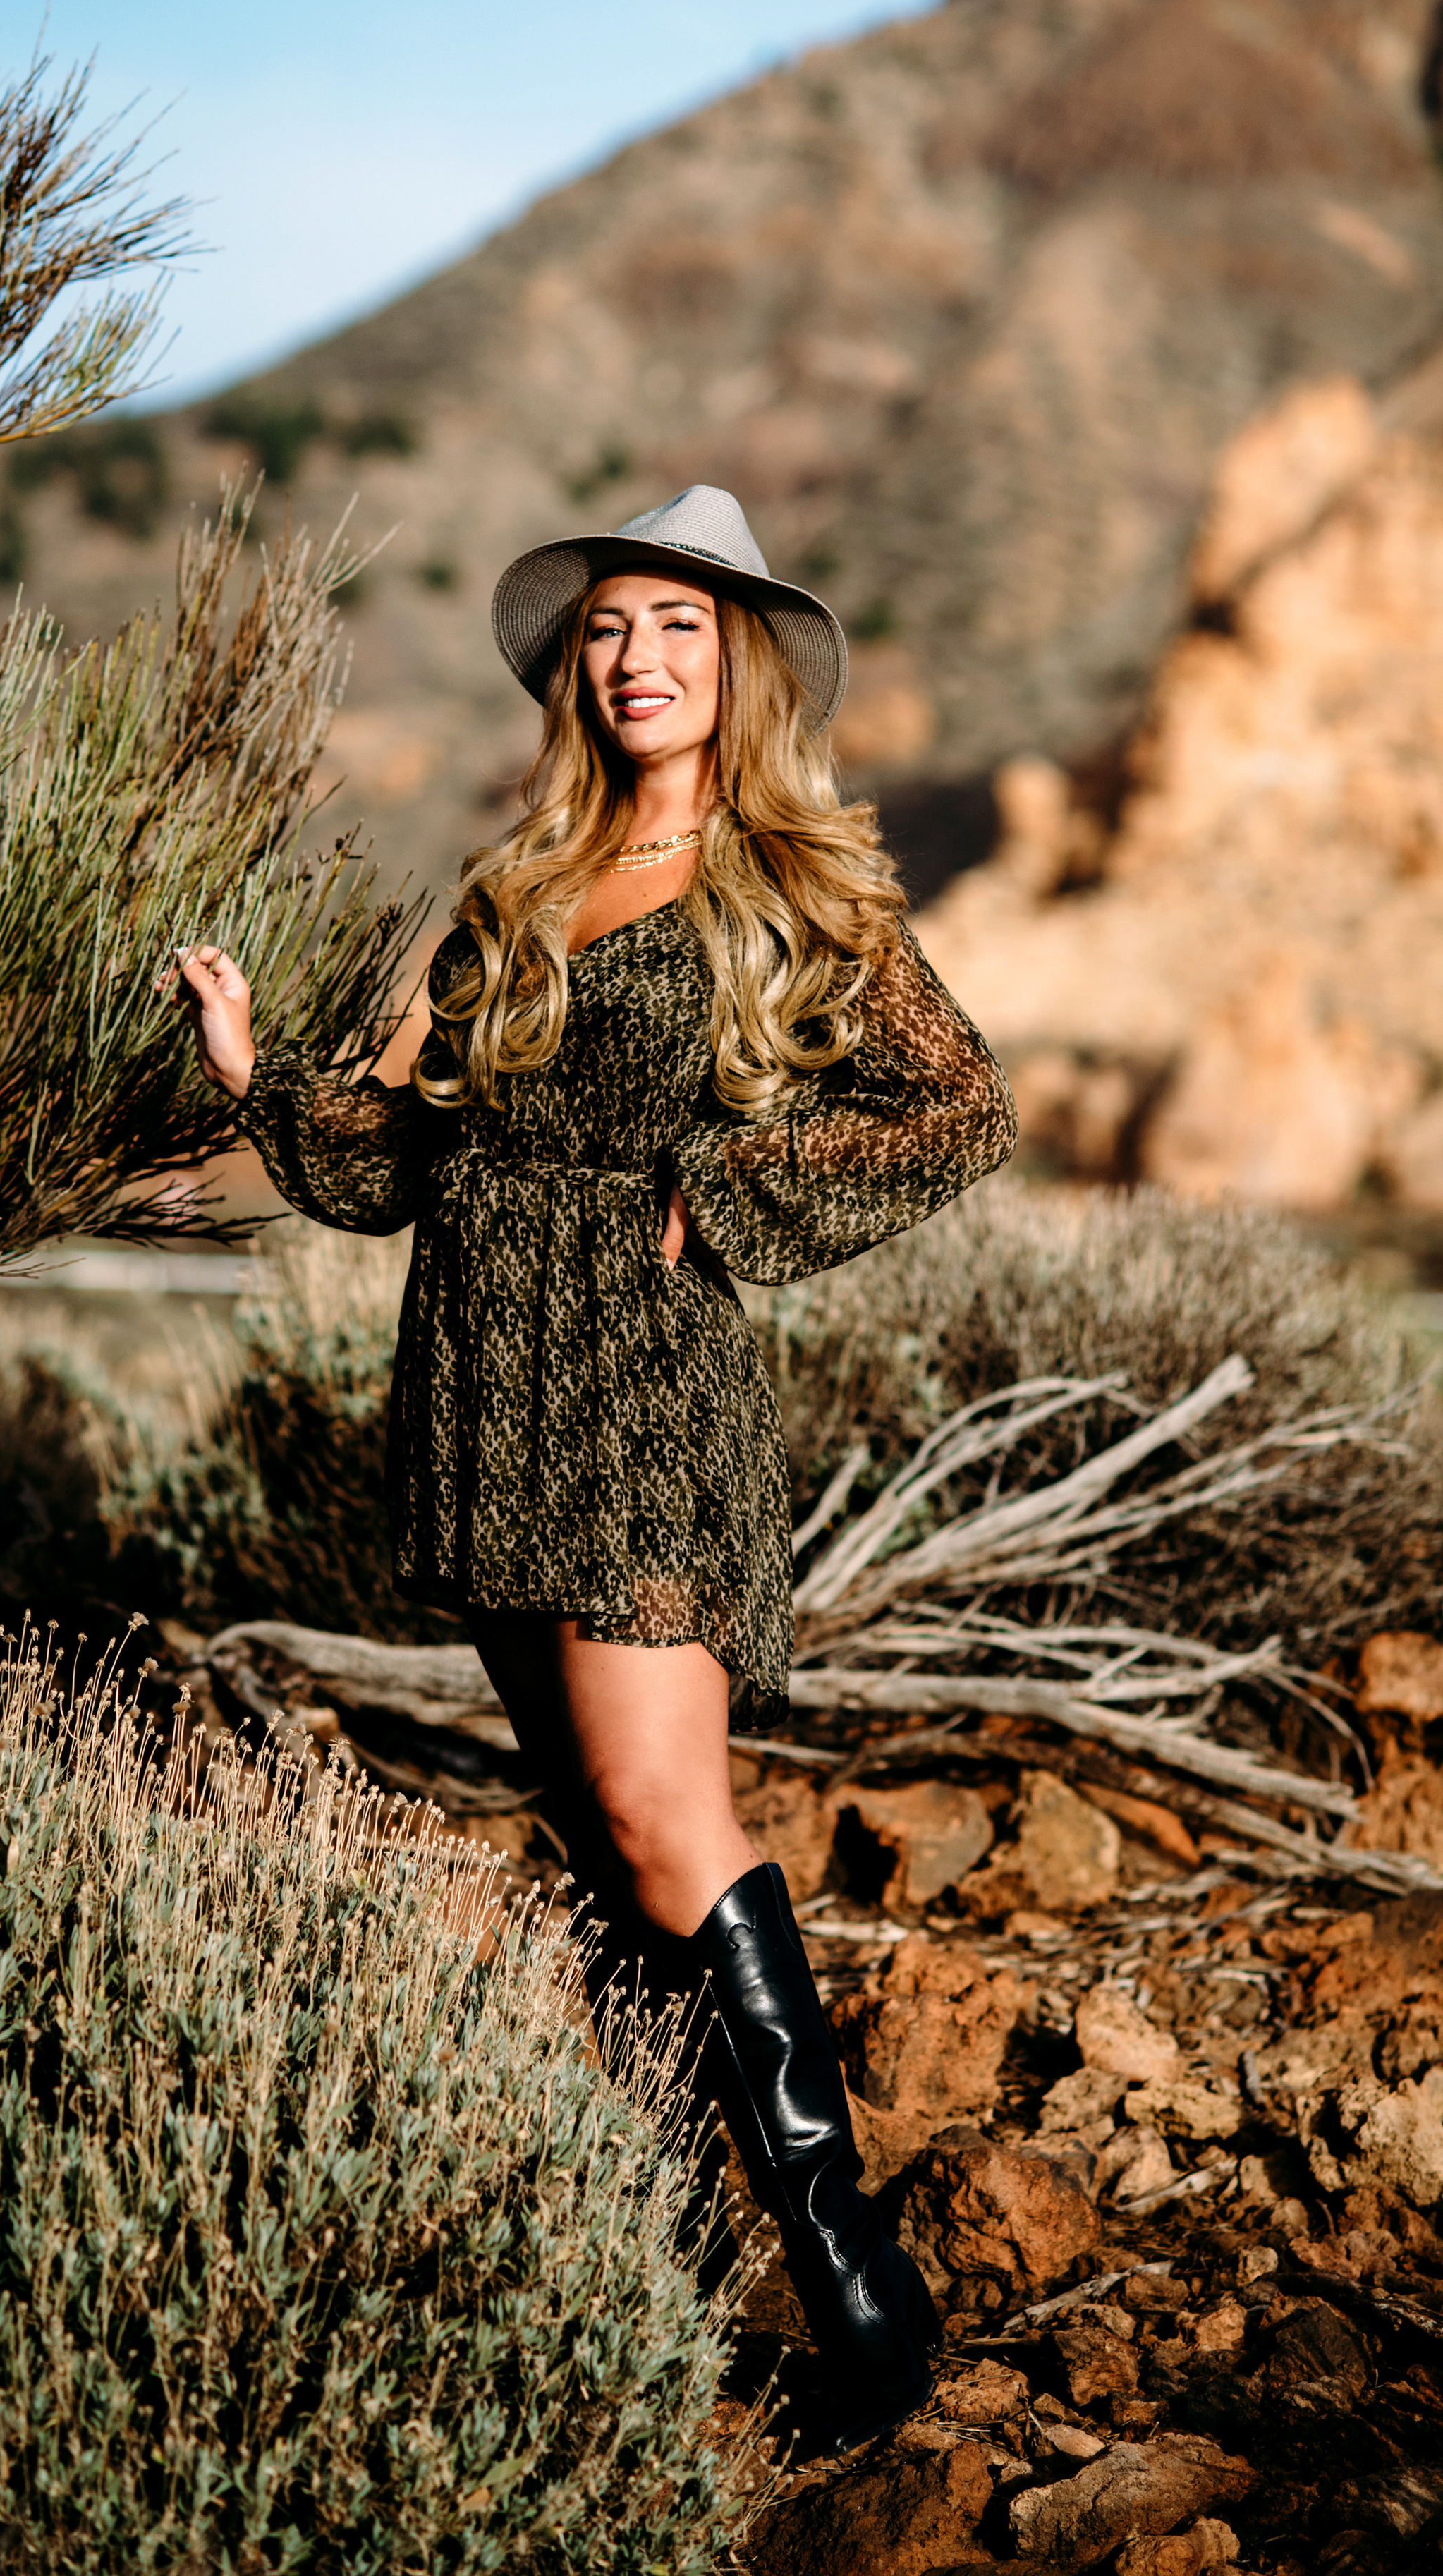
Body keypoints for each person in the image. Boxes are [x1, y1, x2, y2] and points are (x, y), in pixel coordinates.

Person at [166, 484, 1016, 2446]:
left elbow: (957, 1111)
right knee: (601, 1857)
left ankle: (864, 2306)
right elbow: (398, 1165)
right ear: (578, 669)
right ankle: (643, 2286)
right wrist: (252, 1079)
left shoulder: (791, 883)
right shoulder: (513, 891)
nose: (640, 660)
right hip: (484, 1392)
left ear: (738, 667)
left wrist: (720, 1197)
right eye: (614, 631)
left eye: (680, 630)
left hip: (645, 1403)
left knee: (662, 1826)